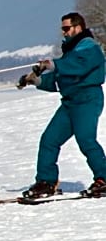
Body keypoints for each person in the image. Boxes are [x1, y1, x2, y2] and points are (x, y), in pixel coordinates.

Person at [18, 11, 106, 199]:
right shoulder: (71, 52)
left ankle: (104, 178)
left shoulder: (89, 47)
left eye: (67, 28)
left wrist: (54, 65)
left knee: (86, 140)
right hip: (69, 102)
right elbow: (60, 80)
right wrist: (35, 80)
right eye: (62, 29)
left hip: (87, 100)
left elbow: (79, 66)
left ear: (78, 27)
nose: (64, 33)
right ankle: (46, 182)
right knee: (49, 140)